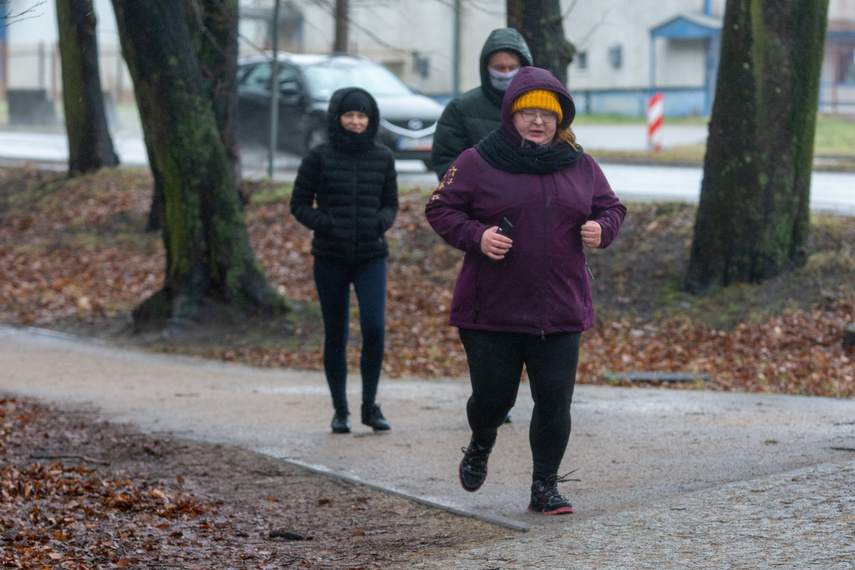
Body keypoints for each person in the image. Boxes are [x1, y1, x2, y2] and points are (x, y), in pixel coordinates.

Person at [424, 67, 626, 515]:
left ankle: (544, 487)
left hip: (560, 307)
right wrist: (476, 236)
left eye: (548, 115)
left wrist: (601, 227)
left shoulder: (580, 164)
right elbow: (439, 208)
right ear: (511, 114)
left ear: (560, 119)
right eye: (528, 112)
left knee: (555, 401)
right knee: (494, 399)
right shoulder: (478, 160)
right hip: (492, 307)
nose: (538, 121)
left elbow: (612, 207)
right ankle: (481, 440)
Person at [290, 87, 398, 434]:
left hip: (371, 256)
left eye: (362, 115)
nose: (355, 121)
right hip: (330, 257)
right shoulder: (318, 156)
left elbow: (390, 204)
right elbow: (299, 204)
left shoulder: (383, 158)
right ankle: (341, 411)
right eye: (349, 115)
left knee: (373, 328)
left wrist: (378, 224)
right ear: (337, 118)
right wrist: (327, 224)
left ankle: (370, 406)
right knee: (336, 333)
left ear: (371, 119)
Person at [430, 27, 532, 181]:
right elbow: (446, 161)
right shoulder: (460, 108)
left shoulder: (540, 106)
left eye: (512, 67)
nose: (506, 73)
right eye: (499, 67)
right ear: (486, 68)